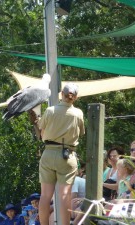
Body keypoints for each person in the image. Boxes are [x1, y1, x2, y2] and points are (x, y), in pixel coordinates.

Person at [29, 83, 85, 225]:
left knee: (45, 195)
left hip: (48, 153)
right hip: (67, 155)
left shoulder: (50, 110)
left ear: (61, 94)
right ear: (76, 97)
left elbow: (40, 129)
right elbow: (82, 132)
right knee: (64, 195)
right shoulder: (78, 113)